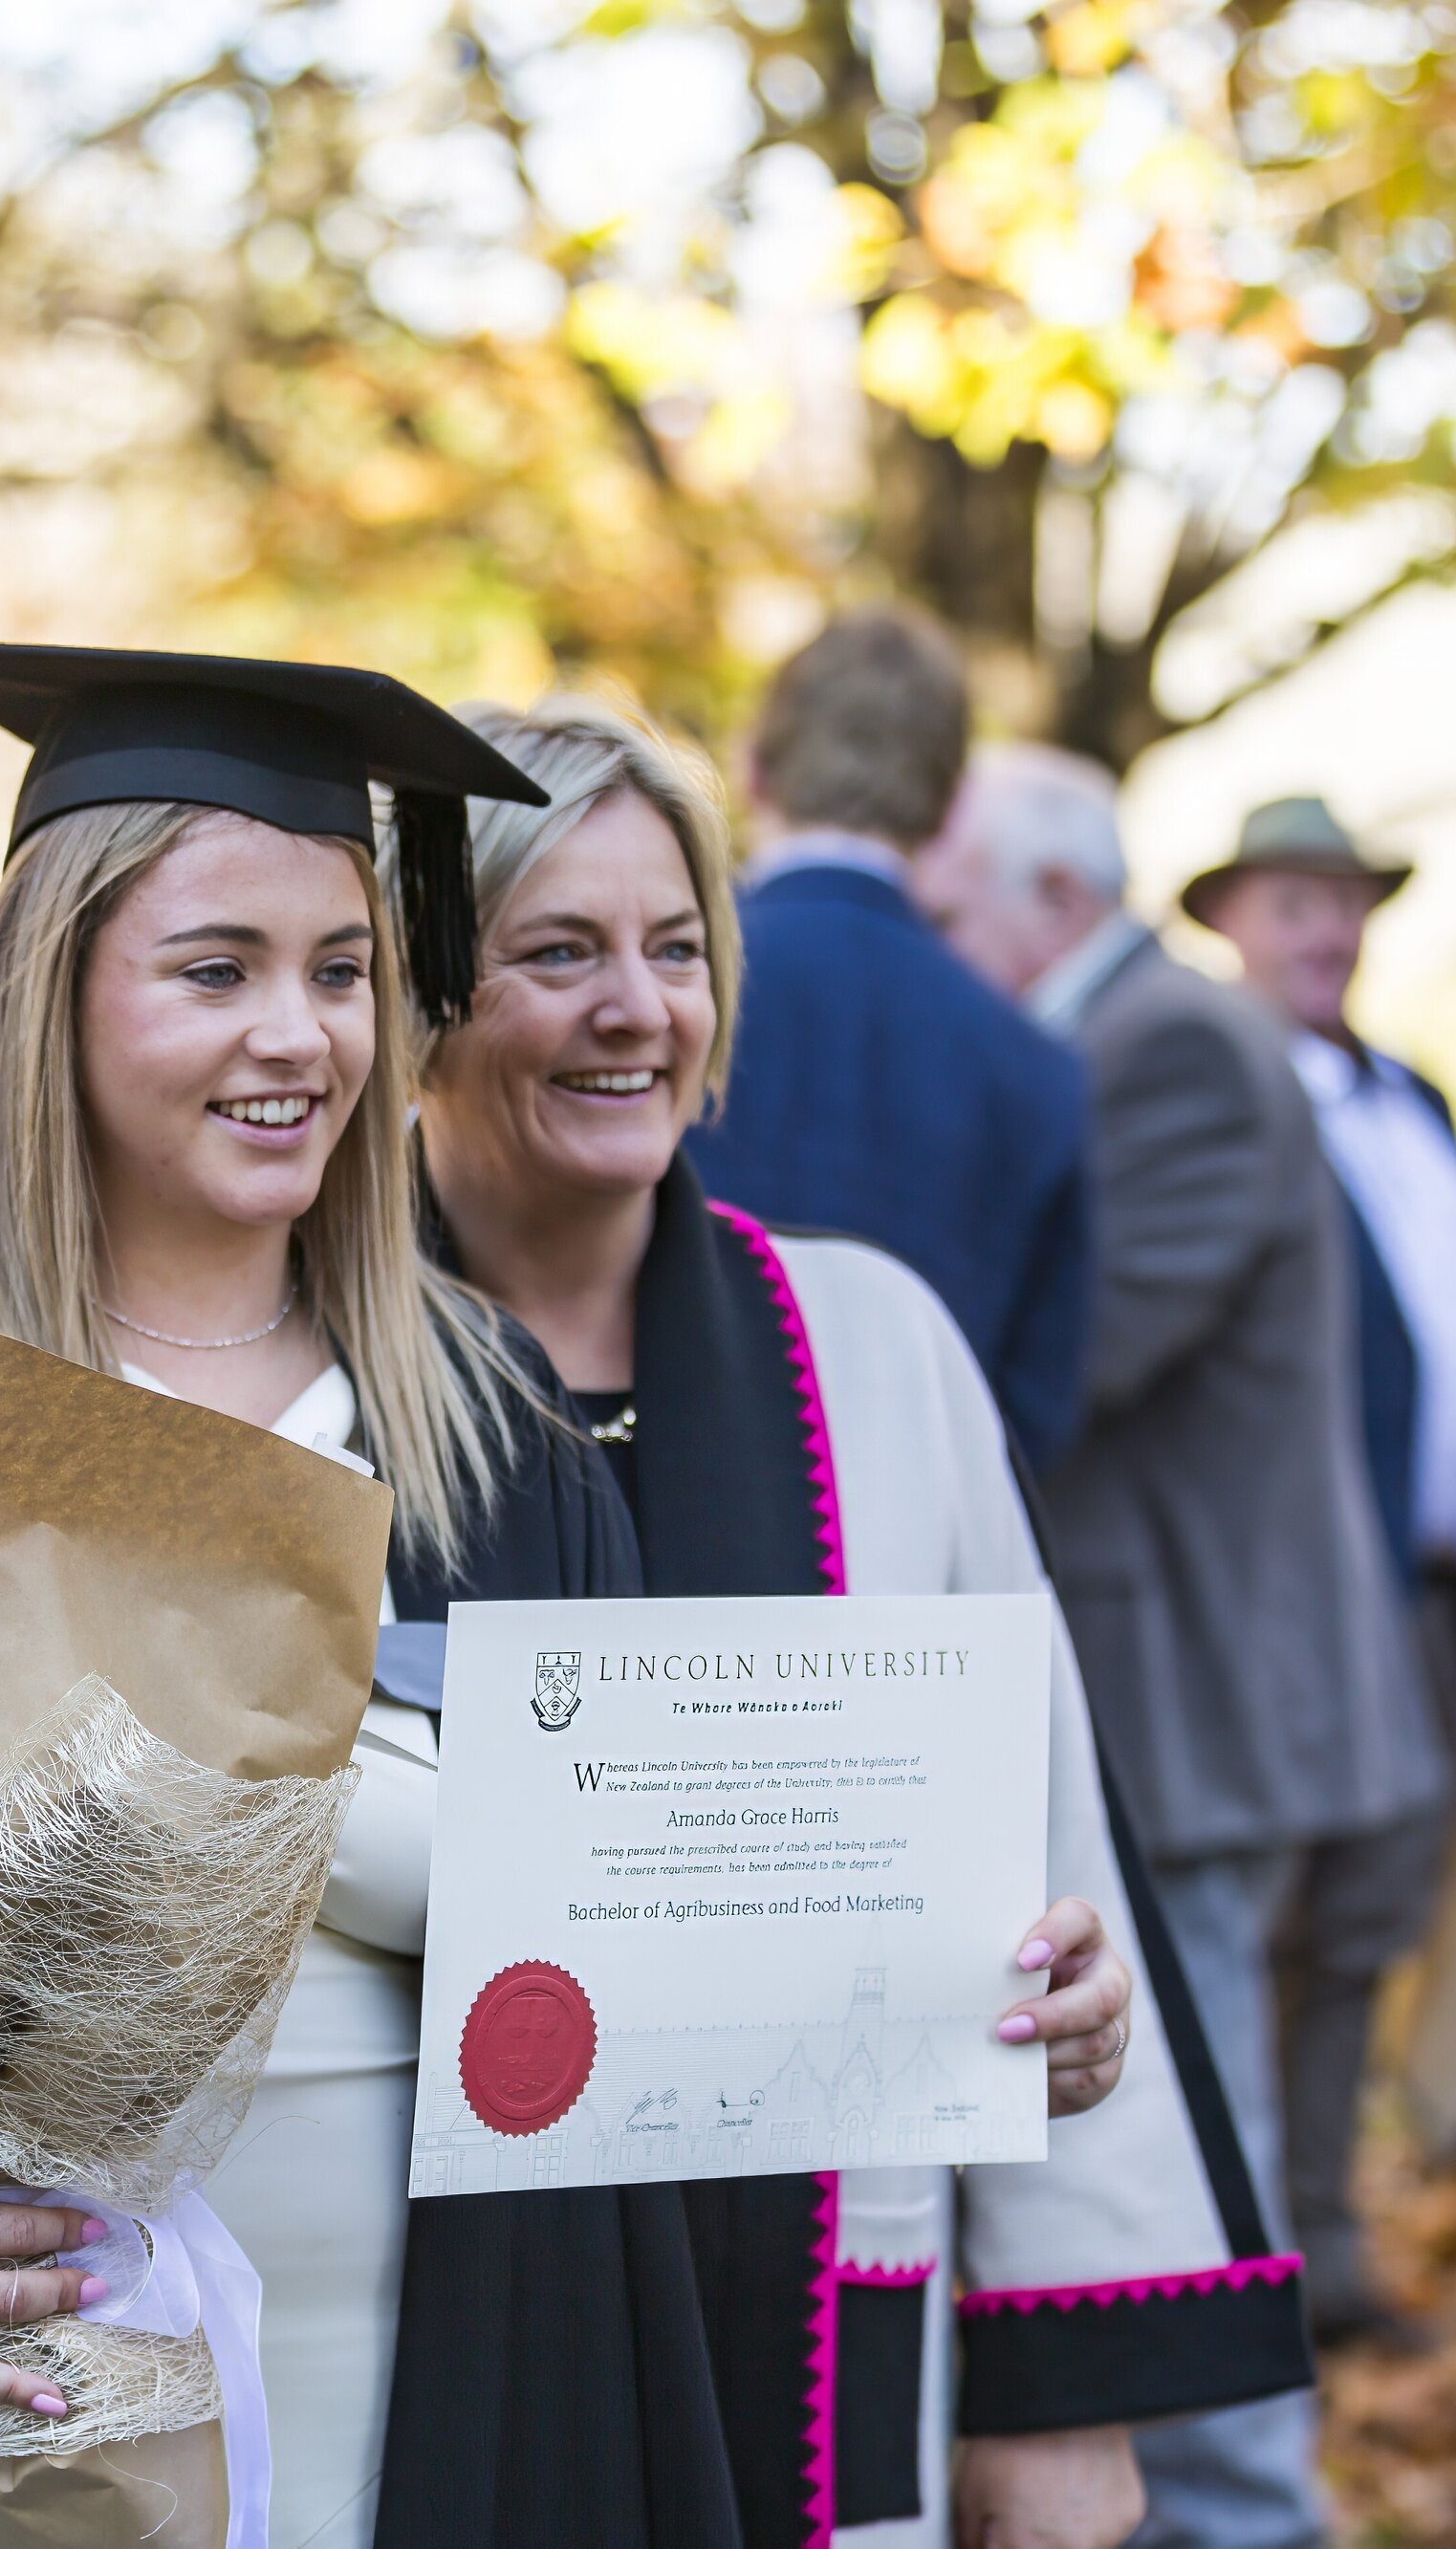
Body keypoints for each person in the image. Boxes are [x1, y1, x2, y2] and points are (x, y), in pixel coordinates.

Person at [0, 642, 1133, 2549]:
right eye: (215, 969)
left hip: (427, 2390)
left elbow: (654, 1929)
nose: (294, 1035)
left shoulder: (482, 1423)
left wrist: (990, 1999)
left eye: (342, 971)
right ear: (59, 983)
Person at [414, 696, 1312, 2549]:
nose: (632, 1007)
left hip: (816, 2320)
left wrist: (1058, 2391)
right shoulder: (296, 1374)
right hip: (426, 2325)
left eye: (673, 950)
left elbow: (1048, 1850)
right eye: (555, 952)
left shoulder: (869, 1346)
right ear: (422, 988)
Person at [923, 759, 1436, 2549]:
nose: (936, 952)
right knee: (1188, 2087)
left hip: (1199, 1680)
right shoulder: (1152, 1037)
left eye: (949, 912)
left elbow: (1082, 1346)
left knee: (1185, 2123)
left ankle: (1242, 2514)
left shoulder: (1166, 1046)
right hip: (1183, 1669)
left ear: (1049, 902)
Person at [1186, 796, 1456, 2348]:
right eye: (1290, 904)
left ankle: (1316, 2245)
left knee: (1364, 1925)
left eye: (1340, 903)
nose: (1323, 931)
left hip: (1425, 1598)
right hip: (1279, 1601)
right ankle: (1238, 2254)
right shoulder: (1212, 1097)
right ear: (1225, 922)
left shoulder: (1411, 1095)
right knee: (1263, 1923)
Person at [680, 613, 1094, 1474]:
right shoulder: (1035, 1069)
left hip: (656, 1550)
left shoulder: (656, 999)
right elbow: (1035, 1409)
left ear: (754, 770)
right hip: (919, 1569)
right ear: (950, 811)